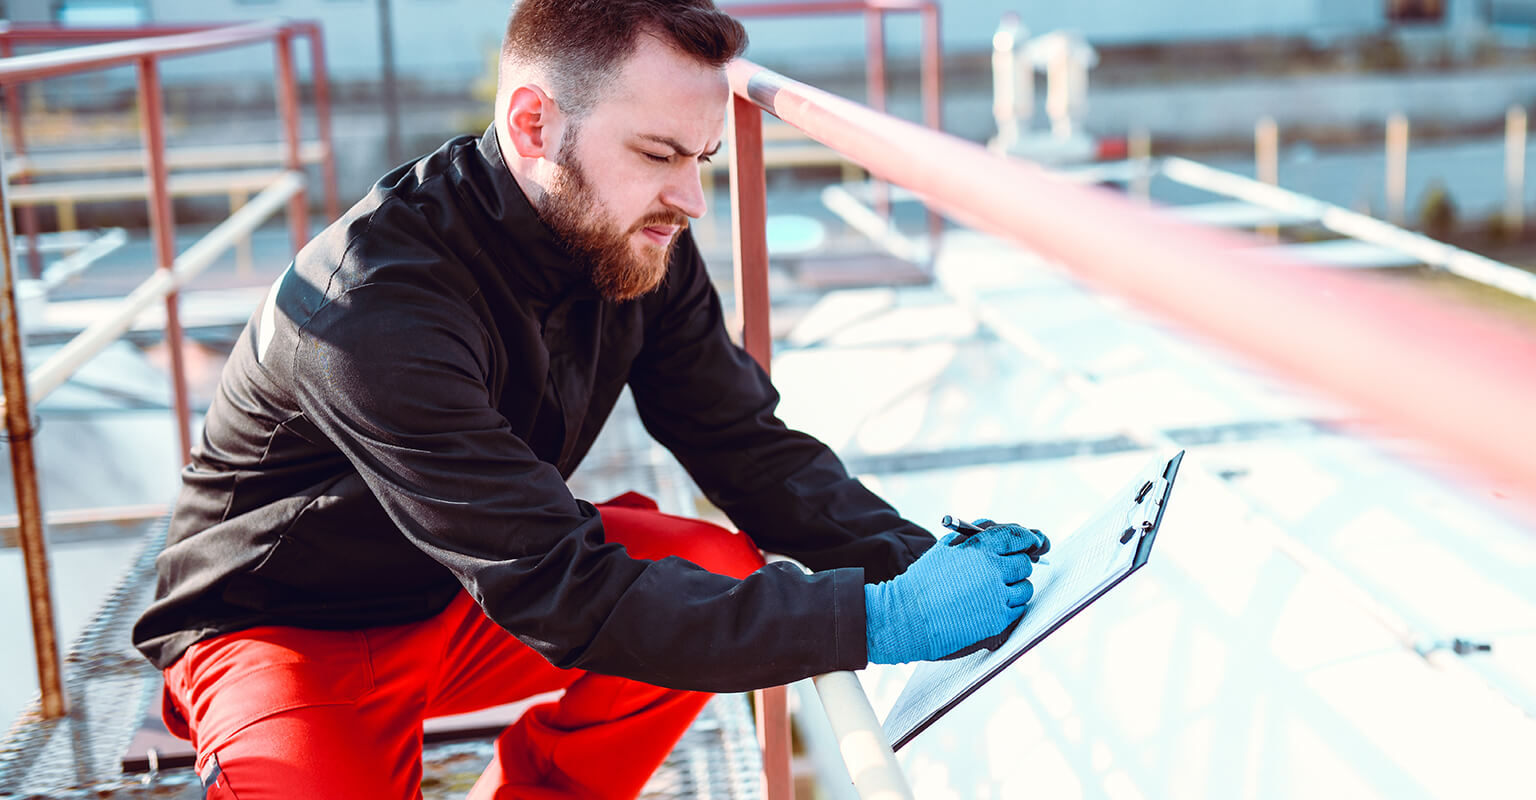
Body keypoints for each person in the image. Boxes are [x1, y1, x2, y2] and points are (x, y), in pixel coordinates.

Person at [131, 1, 1047, 797]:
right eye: (658, 152)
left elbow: (740, 440)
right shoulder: (371, 308)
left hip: (455, 597)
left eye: (704, 156)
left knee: (718, 566)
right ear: (533, 124)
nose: (690, 197)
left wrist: (913, 559)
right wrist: (877, 622)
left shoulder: (637, 239)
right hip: (283, 632)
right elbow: (562, 591)